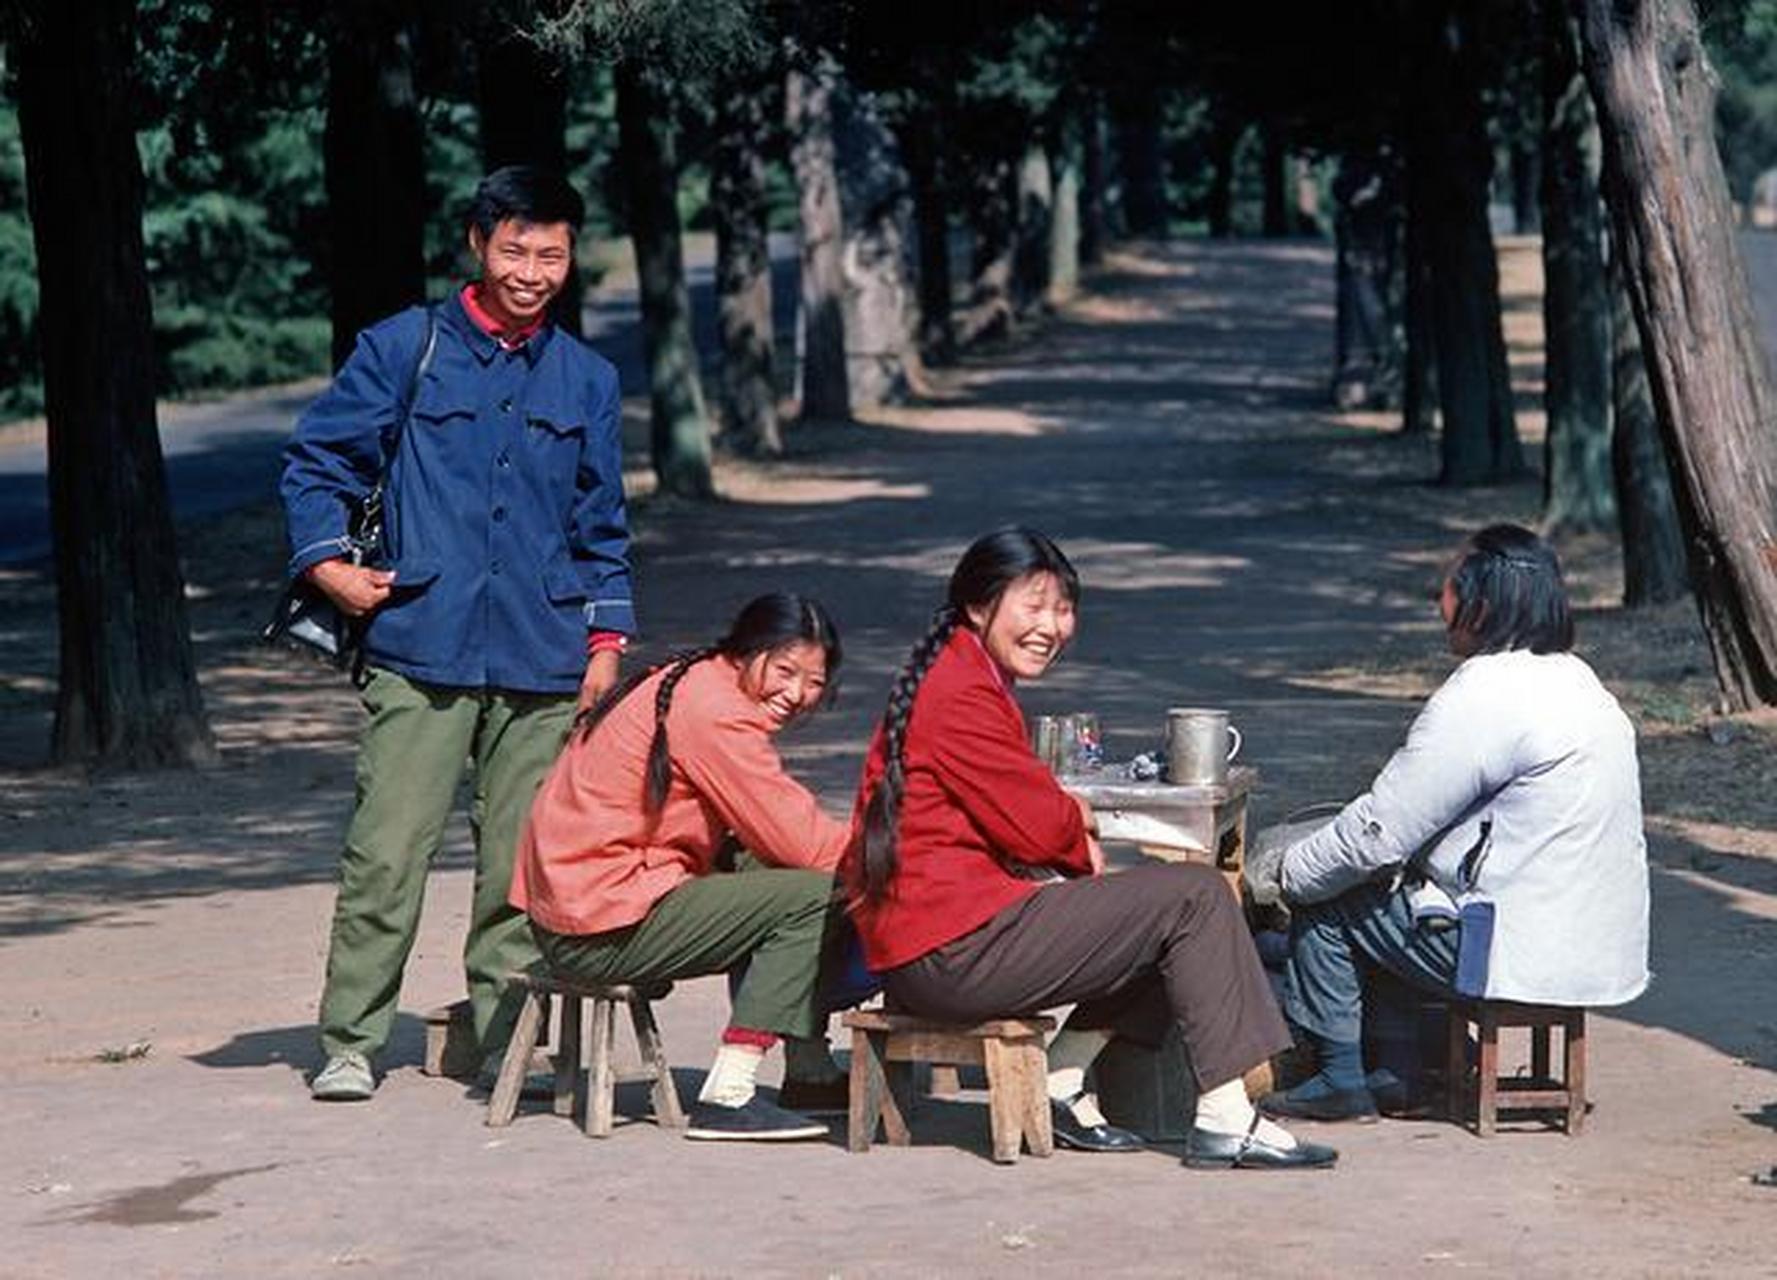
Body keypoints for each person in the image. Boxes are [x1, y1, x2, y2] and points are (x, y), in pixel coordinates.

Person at [282, 166, 635, 1101]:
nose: (531, 270)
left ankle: (502, 1042)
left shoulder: (588, 378)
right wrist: (328, 567)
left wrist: (606, 644)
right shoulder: (405, 347)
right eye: (514, 249)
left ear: (570, 260)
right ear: (476, 246)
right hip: (417, 644)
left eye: (550, 254)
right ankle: (351, 1041)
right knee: (386, 850)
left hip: (544, 654)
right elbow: (317, 461)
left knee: (519, 865)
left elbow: (603, 525)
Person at [845, 528, 1337, 1171]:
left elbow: (1019, 813)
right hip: (950, 952)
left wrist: (1068, 824)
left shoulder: (962, 673)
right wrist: (1074, 823)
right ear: (975, 604)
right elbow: (1036, 827)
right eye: (1034, 605)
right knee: (1196, 895)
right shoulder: (961, 692)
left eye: (1063, 608)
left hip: (942, 941)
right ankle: (1225, 1117)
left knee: (1162, 908)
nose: (1051, 626)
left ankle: (1059, 1080)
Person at [1250, 524, 1650, 1124]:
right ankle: (1401, 1073)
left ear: (1481, 604)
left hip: (1516, 949)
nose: (1440, 606)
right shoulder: (1581, 683)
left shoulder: (1486, 694)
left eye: (1449, 591)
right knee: (1395, 896)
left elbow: (1379, 833)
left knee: (1333, 895)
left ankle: (1340, 1078)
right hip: (1598, 949)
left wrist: (1290, 874)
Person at [512, 594, 856, 1141]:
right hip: (600, 926)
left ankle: (809, 1070)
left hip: (577, 907)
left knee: (760, 865)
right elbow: (805, 843)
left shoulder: (697, 678)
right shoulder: (716, 712)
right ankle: (730, 1092)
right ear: (747, 651)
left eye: (813, 682)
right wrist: (906, 863)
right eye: (784, 670)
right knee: (815, 894)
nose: (796, 694)